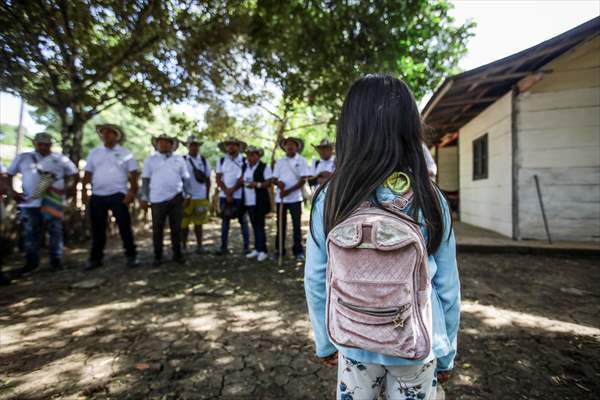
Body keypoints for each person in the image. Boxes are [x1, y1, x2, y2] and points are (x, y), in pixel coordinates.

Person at [304, 74, 459, 400]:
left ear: (348, 129)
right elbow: (446, 285)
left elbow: (317, 279)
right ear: (409, 129)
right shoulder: (430, 197)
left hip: (353, 340)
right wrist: (446, 353)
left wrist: (325, 341)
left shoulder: (330, 197)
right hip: (416, 344)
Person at [7, 132, 78, 272]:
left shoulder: (60, 158)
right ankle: (31, 262)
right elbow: (9, 174)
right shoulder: (24, 158)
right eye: (41, 144)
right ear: (35, 144)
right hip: (30, 202)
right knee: (30, 232)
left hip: (53, 200)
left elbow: (74, 174)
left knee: (55, 230)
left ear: (51, 145)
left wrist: (71, 189)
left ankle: (56, 261)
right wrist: (12, 191)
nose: (44, 147)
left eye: (47, 144)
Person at [83, 124, 140, 270]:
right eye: (103, 133)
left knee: (124, 227)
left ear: (116, 136)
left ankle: (131, 256)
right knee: (97, 229)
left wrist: (132, 192)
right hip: (97, 195)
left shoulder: (125, 152)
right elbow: (88, 173)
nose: (106, 135)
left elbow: (133, 174)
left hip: (118, 195)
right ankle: (95, 258)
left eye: (110, 133)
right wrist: (85, 191)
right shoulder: (94, 153)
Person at [140, 134, 191, 266]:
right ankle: (158, 255)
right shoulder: (150, 160)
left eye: (166, 142)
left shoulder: (179, 160)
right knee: (157, 228)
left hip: (176, 197)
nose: (163, 145)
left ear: (172, 145)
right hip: (157, 198)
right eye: (160, 142)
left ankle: (177, 254)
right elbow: (145, 180)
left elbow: (185, 178)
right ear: (156, 144)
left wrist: (188, 194)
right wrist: (144, 197)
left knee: (176, 228)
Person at [272, 137, 311, 262]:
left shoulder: (302, 160)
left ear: (297, 147)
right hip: (281, 199)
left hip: (295, 198)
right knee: (280, 225)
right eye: (287, 144)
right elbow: (274, 179)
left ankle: (298, 251)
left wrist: (288, 191)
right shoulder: (280, 162)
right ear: (284, 147)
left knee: (296, 225)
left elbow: (303, 180)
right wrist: (279, 184)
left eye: (292, 144)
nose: (289, 146)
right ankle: (279, 250)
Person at [215, 137, 250, 256]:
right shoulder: (221, 161)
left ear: (239, 147)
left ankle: (246, 247)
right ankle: (223, 247)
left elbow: (243, 178)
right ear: (225, 147)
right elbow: (218, 178)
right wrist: (226, 192)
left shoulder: (245, 161)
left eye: (234, 145)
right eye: (228, 145)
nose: (231, 147)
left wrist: (232, 191)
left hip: (240, 195)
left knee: (243, 221)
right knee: (225, 222)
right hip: (224, 196)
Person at [181, 135, 211, 254]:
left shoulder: (203, 160)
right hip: (186, 197)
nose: (194, 147)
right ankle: (183, 246)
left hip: (201, 196)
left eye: (196, 145)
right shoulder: (182, 160)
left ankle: (199, 246)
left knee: (199, 223)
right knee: (184, 224)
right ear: (187, 146)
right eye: (191, 145)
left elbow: (208, 178)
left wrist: (207, 196)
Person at [242, 146, 272, 262]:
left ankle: (263, 250)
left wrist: (257, 185)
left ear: (258, 156)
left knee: (260, 226)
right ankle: (257, 248)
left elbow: (269, 182)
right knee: (254, 225)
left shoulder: (264, 167)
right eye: (248, 155)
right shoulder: (246, 167)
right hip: (248, 201)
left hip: (259, 201)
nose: (250, 157)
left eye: (253, 155)